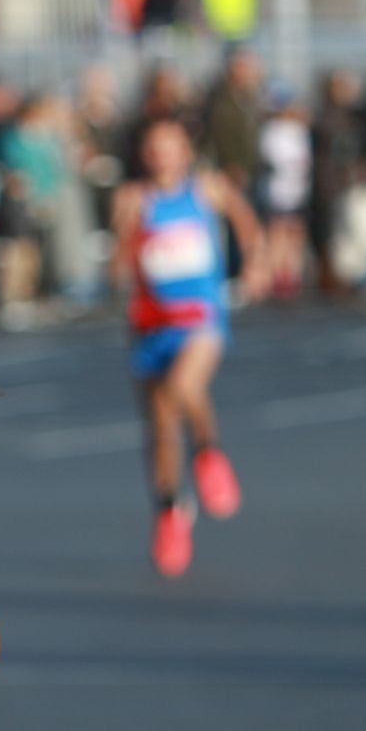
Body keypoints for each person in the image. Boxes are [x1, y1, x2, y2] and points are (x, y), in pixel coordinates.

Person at [111, 117, 263, 578]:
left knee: (183, 387)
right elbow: (119, 262)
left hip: (201, 319)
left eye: (170, 146)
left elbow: (245, 221)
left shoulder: (207, 190)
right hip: (151, 324)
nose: (162, 156)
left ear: (184, 150)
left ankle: (209, 452)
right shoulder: (133, 199)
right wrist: (128, 241)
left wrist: (255, 262)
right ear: (144, 154)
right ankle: (170, 510)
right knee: (158, 428)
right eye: (153, 147)